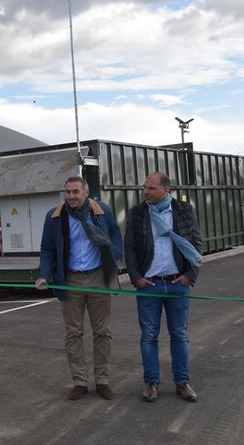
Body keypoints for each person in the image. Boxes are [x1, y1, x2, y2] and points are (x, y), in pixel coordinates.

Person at [35, 176, 123, 401]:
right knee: (73, 333)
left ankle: (102, 380)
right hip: (70, 280)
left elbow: (115, 235)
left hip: (97, 278)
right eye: (68, 192)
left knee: (102, 331)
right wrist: (45, 275)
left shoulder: (101, 211)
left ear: (86, 192)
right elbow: (47, 249)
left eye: (75, 192)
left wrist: (114, 256)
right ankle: (80, 381)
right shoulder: (54, 216)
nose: (71, 196)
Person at [125, 172, 202, 403]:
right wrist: (136, 277)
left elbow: (196, 244)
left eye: (150, 188)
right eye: (144, 187)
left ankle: (182, 382)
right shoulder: (137, 213)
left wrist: (190, 274)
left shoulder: (184, 210)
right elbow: (129, 248)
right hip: (149, 285)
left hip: (178, 284)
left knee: (179, 335)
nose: (145, 192)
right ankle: (151, 383)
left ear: (165, 190)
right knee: (149, 336)